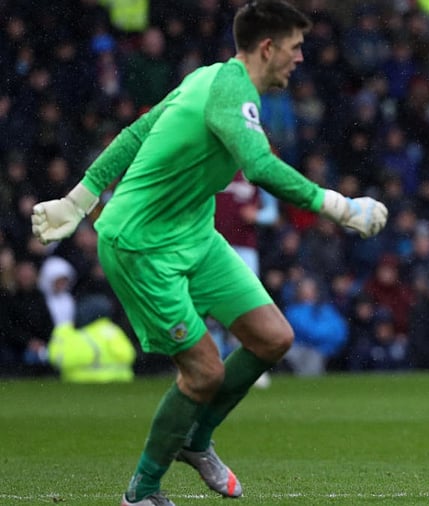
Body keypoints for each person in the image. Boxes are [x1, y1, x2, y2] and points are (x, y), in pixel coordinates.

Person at [29, 2, 388, 505]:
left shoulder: (208, 78)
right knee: (204, 372)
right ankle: (143, 492)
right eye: (295, 47)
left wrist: (80, 197)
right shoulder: (229, 91)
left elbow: (137, 130)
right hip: (141, 246)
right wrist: (340, 207)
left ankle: (196, 442)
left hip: (195, 235)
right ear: (268, 48)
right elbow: (259, 166)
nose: (301, 58)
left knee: (273, 338)